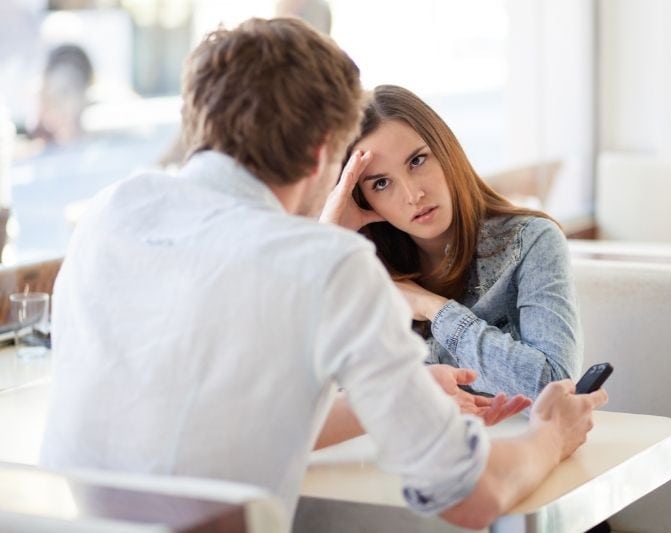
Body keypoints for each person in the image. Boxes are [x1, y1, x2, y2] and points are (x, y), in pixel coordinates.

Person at [40, 18, 606, 529]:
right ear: (323, 158)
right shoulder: (330, 265)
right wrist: (551, 434)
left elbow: (222, 422)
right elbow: (467, 495)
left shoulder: (110, 212)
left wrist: (382, 403)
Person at [322, 84, 582, 400]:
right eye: (380, 183)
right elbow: (317, 392)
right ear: (360, 198)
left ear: (446, 150)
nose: (412, 194)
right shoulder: (364, 265)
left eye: (417, 161)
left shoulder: (529, 241)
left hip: (516, 442)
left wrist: (433, 307)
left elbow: (553, 388)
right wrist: (328, 245)